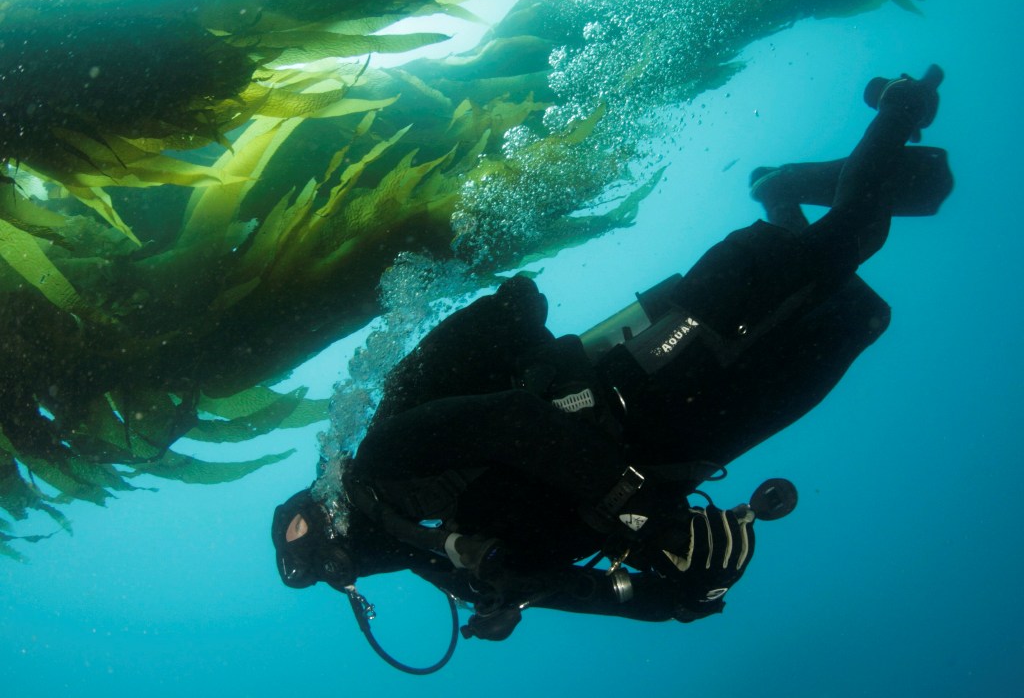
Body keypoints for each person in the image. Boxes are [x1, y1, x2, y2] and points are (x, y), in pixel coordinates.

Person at [272, 67, 953, 644]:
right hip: (691, 445)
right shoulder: (458, 568)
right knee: (861, 317)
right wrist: (689, 587)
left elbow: (510, 418)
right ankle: (783, 196)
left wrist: (636, 509)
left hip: (649, 370)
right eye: (329, 572)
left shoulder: (388, 457)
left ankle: (896, 106)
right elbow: (610, 592)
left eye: (307, 534)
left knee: (852, 235)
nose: (333, 563)